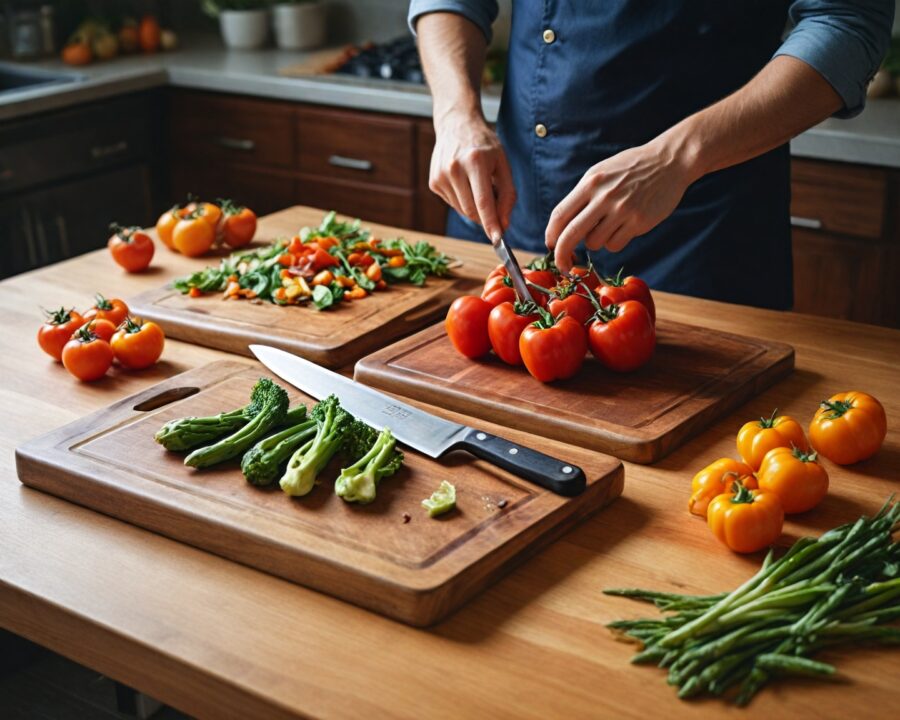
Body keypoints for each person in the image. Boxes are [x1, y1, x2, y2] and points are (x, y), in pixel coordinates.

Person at [409, 1, 894, 309]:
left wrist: (677, 158)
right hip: (511, 207)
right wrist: (455, 115)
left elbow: (847, 22)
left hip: (700, 236)